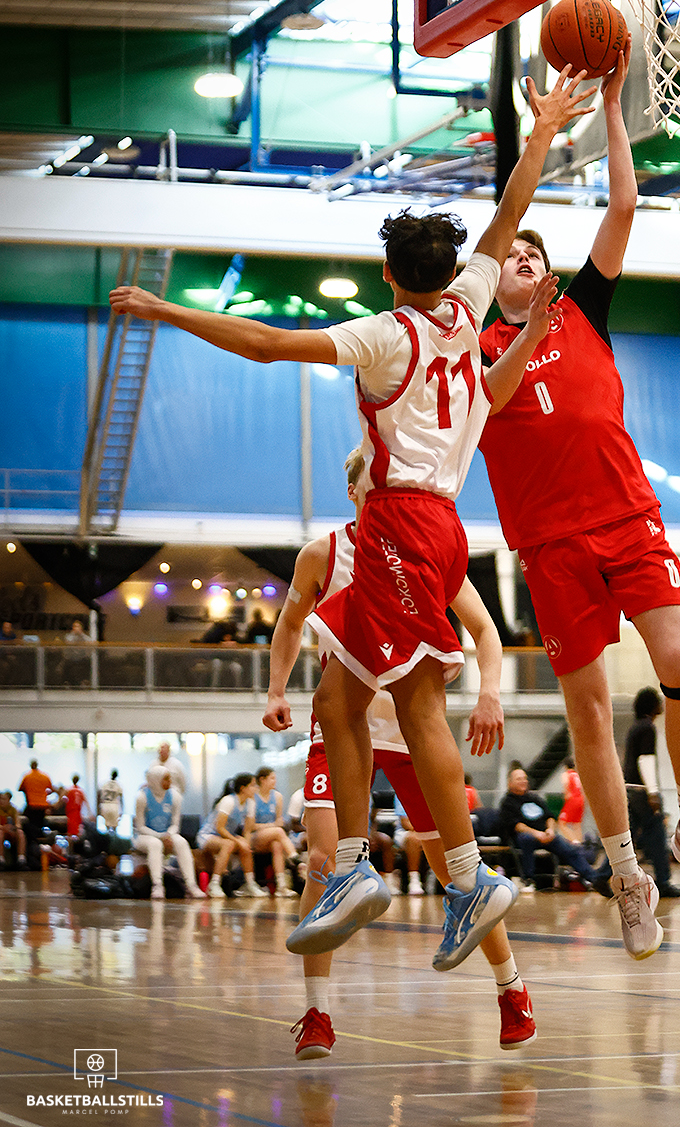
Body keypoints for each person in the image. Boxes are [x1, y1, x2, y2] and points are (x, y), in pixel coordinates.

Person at [112, 67, 592, 971]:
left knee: (415, 705)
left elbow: (265, 344)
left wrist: (161, 308)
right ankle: (361, 869)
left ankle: (463, 879)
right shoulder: (469, 307)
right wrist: (543, 130)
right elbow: (509, 210)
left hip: (405, 524)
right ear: (455, 271)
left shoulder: (383, 334)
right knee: (339, 697)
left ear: (387, 274)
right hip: (434, 528)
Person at [476, 41, 680, 959]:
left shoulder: (584, 309)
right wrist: (532, 147)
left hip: (627, 517)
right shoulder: (472, 346)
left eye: (533, 251)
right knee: (587, 709)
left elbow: (623, 204)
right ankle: (628, 875)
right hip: (550, 544)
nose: (522, 256)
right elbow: (493, 400)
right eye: (511, 253)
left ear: (549, 272)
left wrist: (616, 108)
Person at [264, 449, 536, 1057]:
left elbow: (486, 630)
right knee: (323, 859)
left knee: (454, 870)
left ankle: (511, 989)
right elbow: (289, 625)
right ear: (356, 490)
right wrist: (277, 689)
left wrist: (490, 692)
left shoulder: (420, 547)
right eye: (375, 482)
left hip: (410, 736)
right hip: (343, 731)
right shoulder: (323, 554)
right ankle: (317, 1013)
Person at [593, 688, 680, 899]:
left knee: (627, 837)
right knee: (657, 835)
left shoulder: (636, 727)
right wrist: (653, 792)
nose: (661, 704)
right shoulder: (647, 728)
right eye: (658, 701)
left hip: (629, 790)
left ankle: (601, 875)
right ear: (651, 706)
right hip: (641, 792)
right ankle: (664, 881)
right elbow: (646, 759)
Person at [498, 767, 598, 892]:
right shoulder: (507, 803)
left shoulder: (534, 798)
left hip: (546, 835)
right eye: (519, 779)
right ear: (510, 783)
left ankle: (594, 878)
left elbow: (549, 817)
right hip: (525, 836)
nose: (523, 781)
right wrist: (537, 834)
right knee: (526, 840)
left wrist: (550, 830)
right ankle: (528, 879)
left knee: (569, 849)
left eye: (524, 778)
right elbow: (516, 825)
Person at [134, 766, 205, 900]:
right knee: (155, 844)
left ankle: (191, 885)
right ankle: (157, 885)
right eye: (166, 779)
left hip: (167, 835)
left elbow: (175, 824)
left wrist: (168, 835)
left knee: (182, 842)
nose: (170, 781)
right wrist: (160, 836)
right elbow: (140, 827)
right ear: (156, 779)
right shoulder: (142, 797)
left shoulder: (175, 796)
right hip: (145, 836)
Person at [196, 773, 267, 898]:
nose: (256, 788)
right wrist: (238, 841)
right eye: (253, 785)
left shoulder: (250, 803)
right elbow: (220, 828)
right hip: (207, 835)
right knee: (229, 844)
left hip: (226, 837)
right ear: (243, 788)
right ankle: (214, 884)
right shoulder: (228, 801)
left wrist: (245, 844)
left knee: (245, 845)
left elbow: (247, 830)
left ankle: (250, 884)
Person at [249, 766, 300, 897]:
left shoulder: (277, 797)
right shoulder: (253, 797)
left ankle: (281, 886)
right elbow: (251, 826)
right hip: (254, 837)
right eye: (272, 778)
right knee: (278, 832)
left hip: (272, 836)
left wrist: (275, 826)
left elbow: (279, 820)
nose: (275, 781)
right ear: (262, 780)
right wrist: (271, 826)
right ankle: (294, 858)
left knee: (277, 844)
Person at [19, 759, 54, 862]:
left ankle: (32, 848)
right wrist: (43, 795)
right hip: (43, 806)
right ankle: (41, 841)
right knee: (39, 825)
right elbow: (51, 789)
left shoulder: (27, 776)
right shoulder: (45, 776)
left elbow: (21, 788)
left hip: (32, 805)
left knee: (28, 826)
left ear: (31, 765)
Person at [557, 759, 585, 843]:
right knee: (576, 824)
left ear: (565, 767)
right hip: (580, 799)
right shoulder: (577, 775)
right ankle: (580, 843)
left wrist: (566, 794)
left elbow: (566, 784)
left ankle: (575, 841)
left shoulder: (566, 774)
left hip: (572, 799)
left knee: (562, 823)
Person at [0, 790, 27, 868]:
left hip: (11, 831)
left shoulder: (13, 810)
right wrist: (4, 828)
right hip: (2, 831)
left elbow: (18, 824)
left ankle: (21, 858)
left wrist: (13, 828)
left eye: (3, 799)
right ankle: (1, 858)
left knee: (20, 832)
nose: (1, 801)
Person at [63, 774, 87, 845]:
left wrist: (55, 806)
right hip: (78, 813)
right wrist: (90, 813)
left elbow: (61, 799)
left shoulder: (68, 790)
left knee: (70, 832)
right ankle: (77, 847)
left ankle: (70, 847)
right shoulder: (81, 791)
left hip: (70, 813)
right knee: (77, 832)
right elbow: (86, 802)